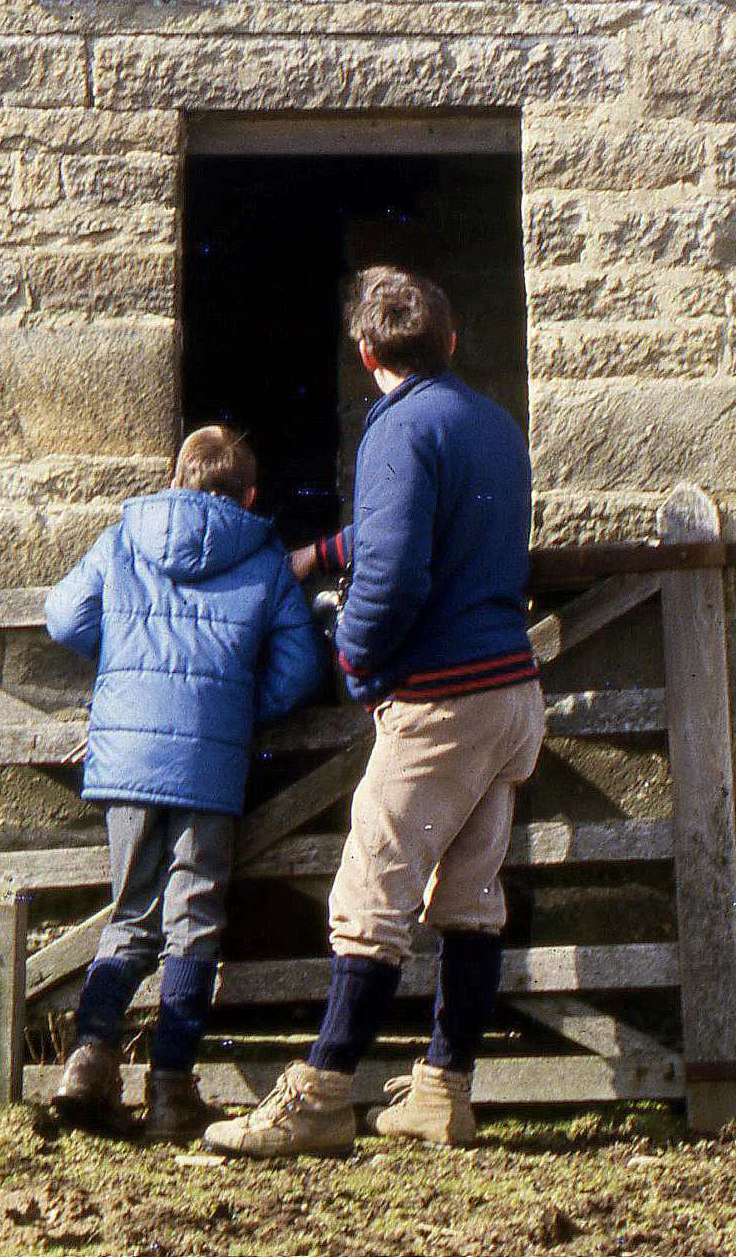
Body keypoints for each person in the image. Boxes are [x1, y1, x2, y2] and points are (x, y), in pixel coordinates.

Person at [202, 267, 541, 1159]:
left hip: (443, 696)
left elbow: (392, 572)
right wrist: (324, 551)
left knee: (370, 894)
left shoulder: (395, 431)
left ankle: (318, 1096)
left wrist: (352, 657)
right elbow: (429, 521)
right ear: (451, 344)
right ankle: (441, 1092)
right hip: (511, 690)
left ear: (364, 354)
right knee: (470, 897)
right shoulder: (492, 423)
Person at [41, 424, 324, 1142]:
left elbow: (64, 617)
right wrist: (227, 705)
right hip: (209, 765)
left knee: (131, 914)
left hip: (127, 757)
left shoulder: (124, 537)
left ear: (175, 475)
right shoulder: (262, 559)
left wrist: (124, 676)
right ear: (250, 494)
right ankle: (171, 1092)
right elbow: (299, 668)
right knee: (193, 920)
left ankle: (87, 1061)